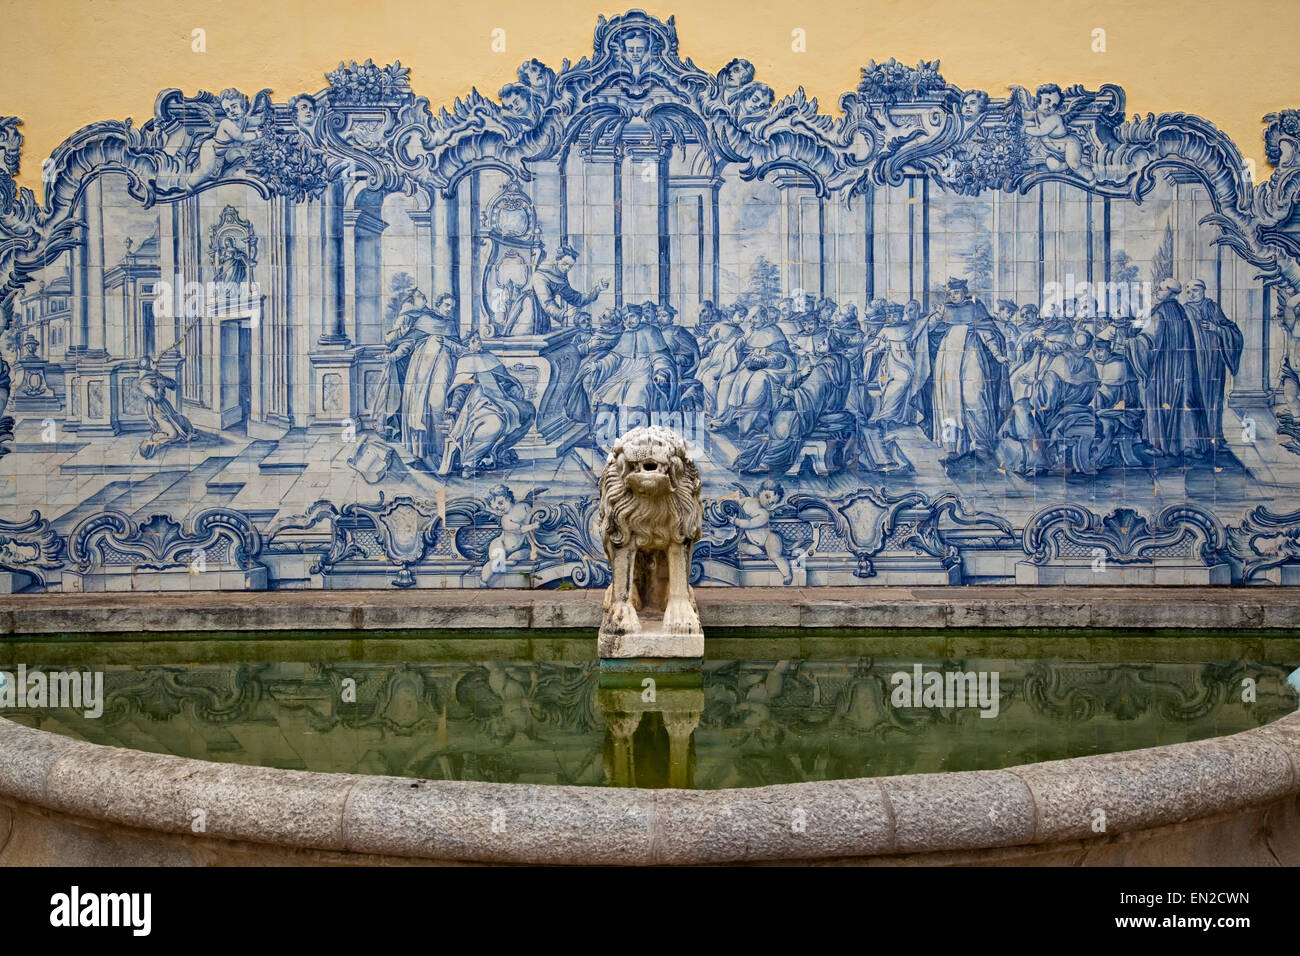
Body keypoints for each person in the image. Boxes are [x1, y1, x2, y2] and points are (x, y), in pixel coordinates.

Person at [916, 277, 1010, 465]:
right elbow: (928, 331)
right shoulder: (944, 309)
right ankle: (953, 448)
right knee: (949, 402)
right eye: (950, 293)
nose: (953, 296)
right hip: (947, 358)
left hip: (972, 353)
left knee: (975, 397)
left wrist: (998, 354)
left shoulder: (976, 308)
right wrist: (935, 316)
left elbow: (988, 333)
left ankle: (981, 445)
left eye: (957, 292)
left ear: (965, 292)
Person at [1117, 278, 1208, 460]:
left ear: (1171, 292)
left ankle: (1160, 446)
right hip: (1182, 369)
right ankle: (1187, 445)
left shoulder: (1160, 312)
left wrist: (1129, 343)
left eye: (1161, 289)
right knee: (1185, 400)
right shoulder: (1180, 311)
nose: (1157, 291)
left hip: (1163, 368)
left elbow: (1148, 341)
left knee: (1157, 400)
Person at [438, 332, 536, 478]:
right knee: (495, 424)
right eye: (474, 340)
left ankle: (497, 451)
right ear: (467, 344)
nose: (478, 341)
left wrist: (515, 389)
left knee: (529, 412)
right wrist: (454, 407)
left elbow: (506, 379)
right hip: (478, 404)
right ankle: (469, 463)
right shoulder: (465, 362)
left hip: (501, 400)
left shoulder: (489, 357)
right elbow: (461, 388)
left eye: (478, 339)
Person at [398, 291, 463, 467]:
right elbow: (406, 341)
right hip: (420, 371)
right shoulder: (424, 320)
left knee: (438, 404)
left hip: (443, 369)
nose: (449, 310)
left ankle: (441, 452)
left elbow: (460, 350)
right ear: (438, 305)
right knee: (419, 408)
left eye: (452, 307)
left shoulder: (451, 325)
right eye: (447, 305)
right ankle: (421, 453)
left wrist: (448, 344)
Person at [1183, 279, 1243, 447]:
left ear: (1204, 290)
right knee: (1193, 399)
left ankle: (1215, 437)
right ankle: (1196, 440)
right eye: (1188, 291)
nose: (1191, 294)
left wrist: (1216, 328)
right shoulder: (1184, 310)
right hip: (1192, 364)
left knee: (1214, 399)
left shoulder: (1212, 307)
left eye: (1195, 290)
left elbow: (1232, 330)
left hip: (1213, 364)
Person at [512, 245, 608, 335]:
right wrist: (564, 314)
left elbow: (575, 298)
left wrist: (598, 289)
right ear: (557, 260)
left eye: (570, 266)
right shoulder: (540, 276)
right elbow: (547, 302)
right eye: (565, 264)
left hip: (543, 314)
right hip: (529, 310)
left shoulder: (561, 276)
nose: (567, 268)